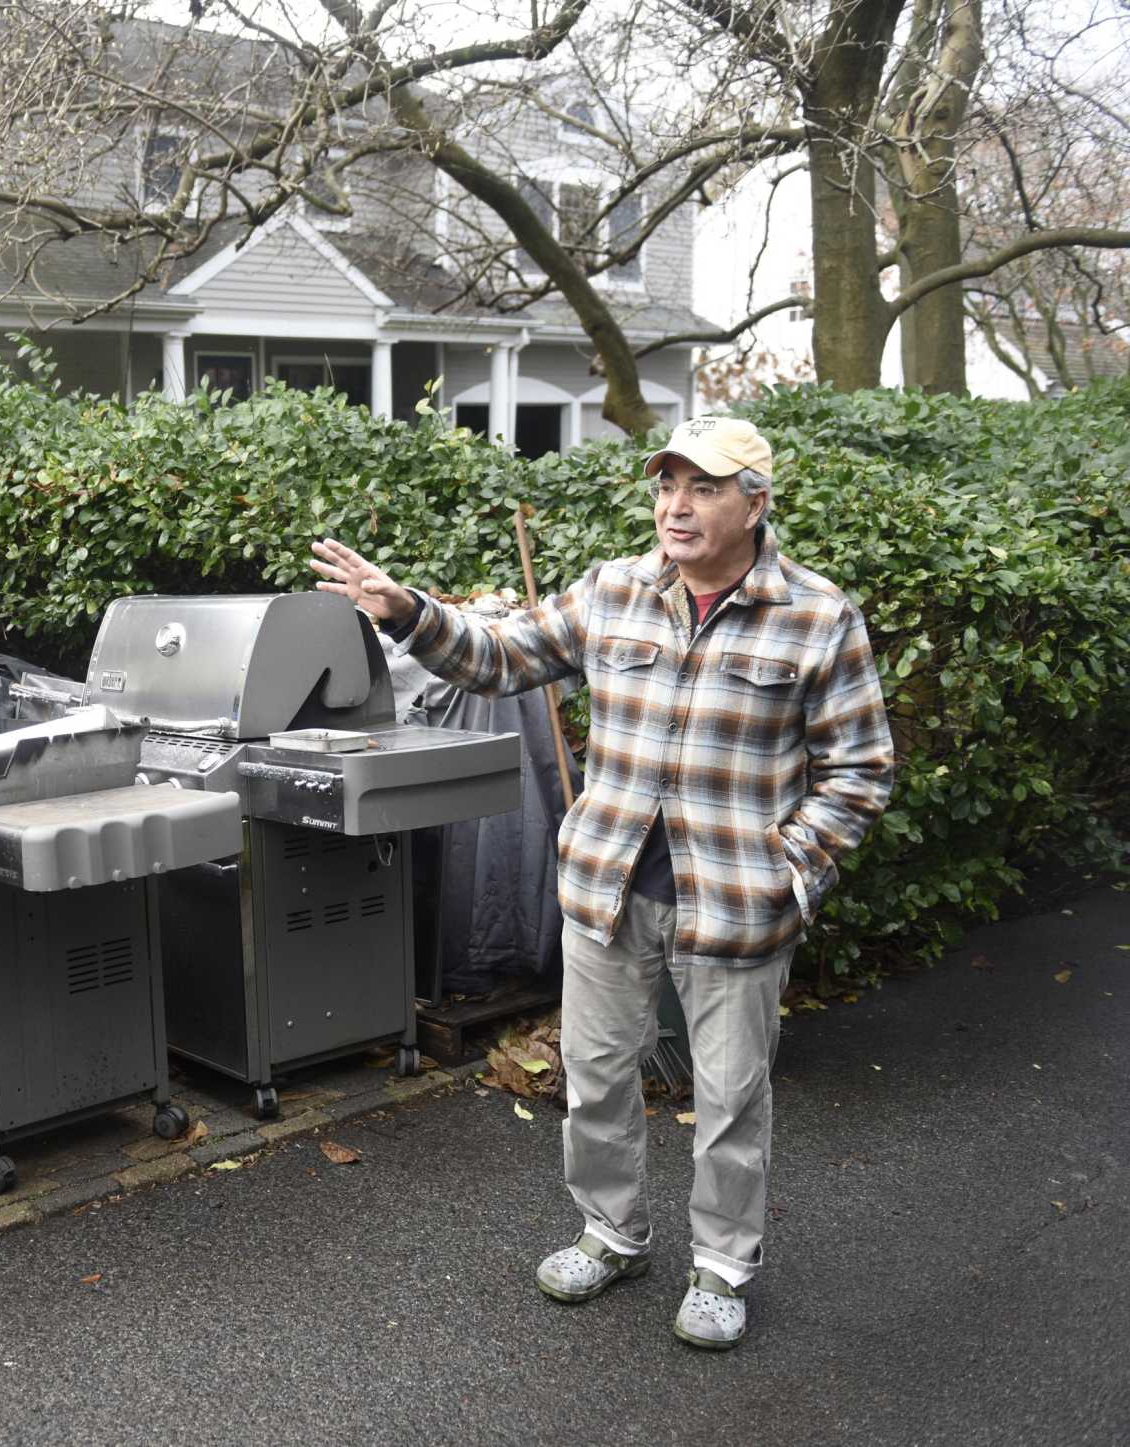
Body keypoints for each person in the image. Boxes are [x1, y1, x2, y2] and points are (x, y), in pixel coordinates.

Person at [309, 415, 893, 1349]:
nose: (677, 505)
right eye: (667, 485)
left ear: (756, 501)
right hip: (608, 887)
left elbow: (861, 769)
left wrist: (791, 867)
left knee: (733, 1092)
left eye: (704, 487)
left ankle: (722, 1267)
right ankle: (613, 1232)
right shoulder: (614, 591)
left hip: (737, 903)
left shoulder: (818, 617)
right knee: (596, 1076)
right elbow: (499, 657)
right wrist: (407, 611)